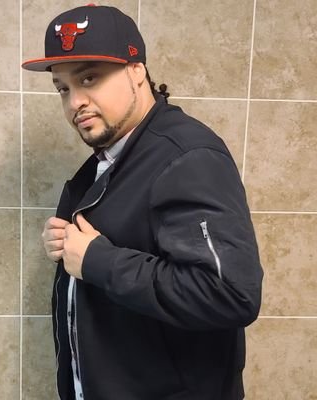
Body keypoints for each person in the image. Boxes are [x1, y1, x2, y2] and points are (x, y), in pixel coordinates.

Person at [22, 4, 263, 400]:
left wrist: (97, 260)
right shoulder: (107, 161)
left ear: (137, 72)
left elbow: (229, 295)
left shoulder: (187, 155)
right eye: (63, 88)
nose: (75, 101)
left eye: (89, 78)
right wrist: (67, 245)